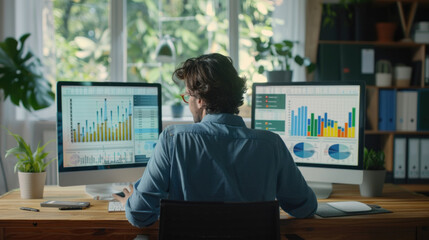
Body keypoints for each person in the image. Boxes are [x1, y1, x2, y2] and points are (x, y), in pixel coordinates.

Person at [113, 53, 317, 228]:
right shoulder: (271, 145)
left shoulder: (173, 140)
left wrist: (131, 201)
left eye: (188, 97)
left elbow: (139, 215)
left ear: (200, 100)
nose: (189, 103)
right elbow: (305, 207)